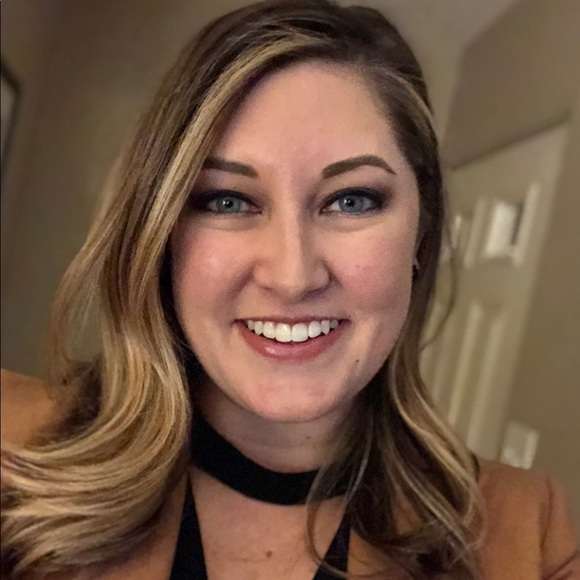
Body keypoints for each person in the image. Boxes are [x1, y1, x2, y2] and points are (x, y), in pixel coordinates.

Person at [1, 0, 578, 578]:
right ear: (162, 234)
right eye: (228, 201)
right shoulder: (12, 456)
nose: (293, 277)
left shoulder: (526, 536)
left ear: (420, 229)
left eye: (351, 200)